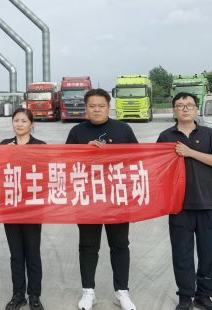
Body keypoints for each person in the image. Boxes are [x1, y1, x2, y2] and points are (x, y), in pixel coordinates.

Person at [65, 88, 137, 310]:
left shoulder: (123, 129)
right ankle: (88, 292)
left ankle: (122, 292)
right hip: (88, 198)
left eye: (101, 106)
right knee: (88, 246)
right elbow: (65, 162)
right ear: (86, 108)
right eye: (92, 106)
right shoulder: (77, 132)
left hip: (117, 197)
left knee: (120, 245)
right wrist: (83, 151)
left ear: (108, 107)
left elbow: (138, 158)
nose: (96, 109)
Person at [157, 93, 212, 310]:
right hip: (179, 207)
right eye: (180, 105)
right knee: (182, 255)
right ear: (174, 110)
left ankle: (204, 296)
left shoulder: (208, 134)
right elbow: (156, 167)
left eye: (189, 105)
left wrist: (190, 152)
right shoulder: (166, 136)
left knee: (208, 254)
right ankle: (185, 297)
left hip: (207, 204)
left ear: (196, 109)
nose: (185, 109)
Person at [0, 108, 45, 310]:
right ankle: (18, 294)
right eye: (16, 120)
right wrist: (5, 156)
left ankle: (34, 295)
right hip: (10, 206)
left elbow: (46, 172)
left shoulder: (40, 146)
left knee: (32, 253)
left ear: (31, 124)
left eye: (24, 121)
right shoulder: (4, 145)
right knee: (16, 254)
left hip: (33, 206)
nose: (19, 124)